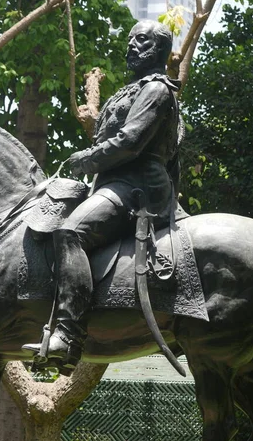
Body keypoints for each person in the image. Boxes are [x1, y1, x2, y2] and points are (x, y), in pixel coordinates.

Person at [22, 20, 181, 371]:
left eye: (141, 40)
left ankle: (68, 335)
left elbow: (129, 142)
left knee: (70, 231)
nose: (131, 46)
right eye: (129, 39)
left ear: (159, 49)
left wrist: (86, 160)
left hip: (138, 184)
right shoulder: (131, 89)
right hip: (116, 182)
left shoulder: (156, 90)